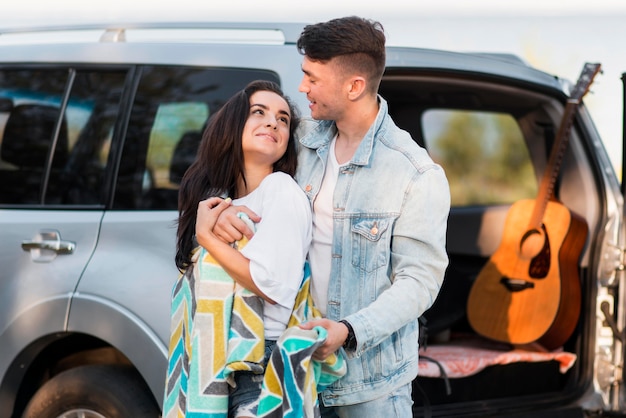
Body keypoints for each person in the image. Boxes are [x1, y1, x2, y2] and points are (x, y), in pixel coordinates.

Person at [212, 16, 450, 418]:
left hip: (370, 386)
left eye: (312, 78)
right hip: (292, 370)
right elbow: (246, 178)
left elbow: (419, 282)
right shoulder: (299, 140)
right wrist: (218, 211)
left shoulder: (415, 174)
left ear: (354, 86)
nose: (301, 88)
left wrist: (349, 330)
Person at [163, 80, 312, 418]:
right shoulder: (219, 203)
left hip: (260, 368)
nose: (273, 122)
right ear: (232, 125)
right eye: (258, 112)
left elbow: (271, 285)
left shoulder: (281, 190)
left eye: (283, 119)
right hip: (219, 365)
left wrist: (209, 238)